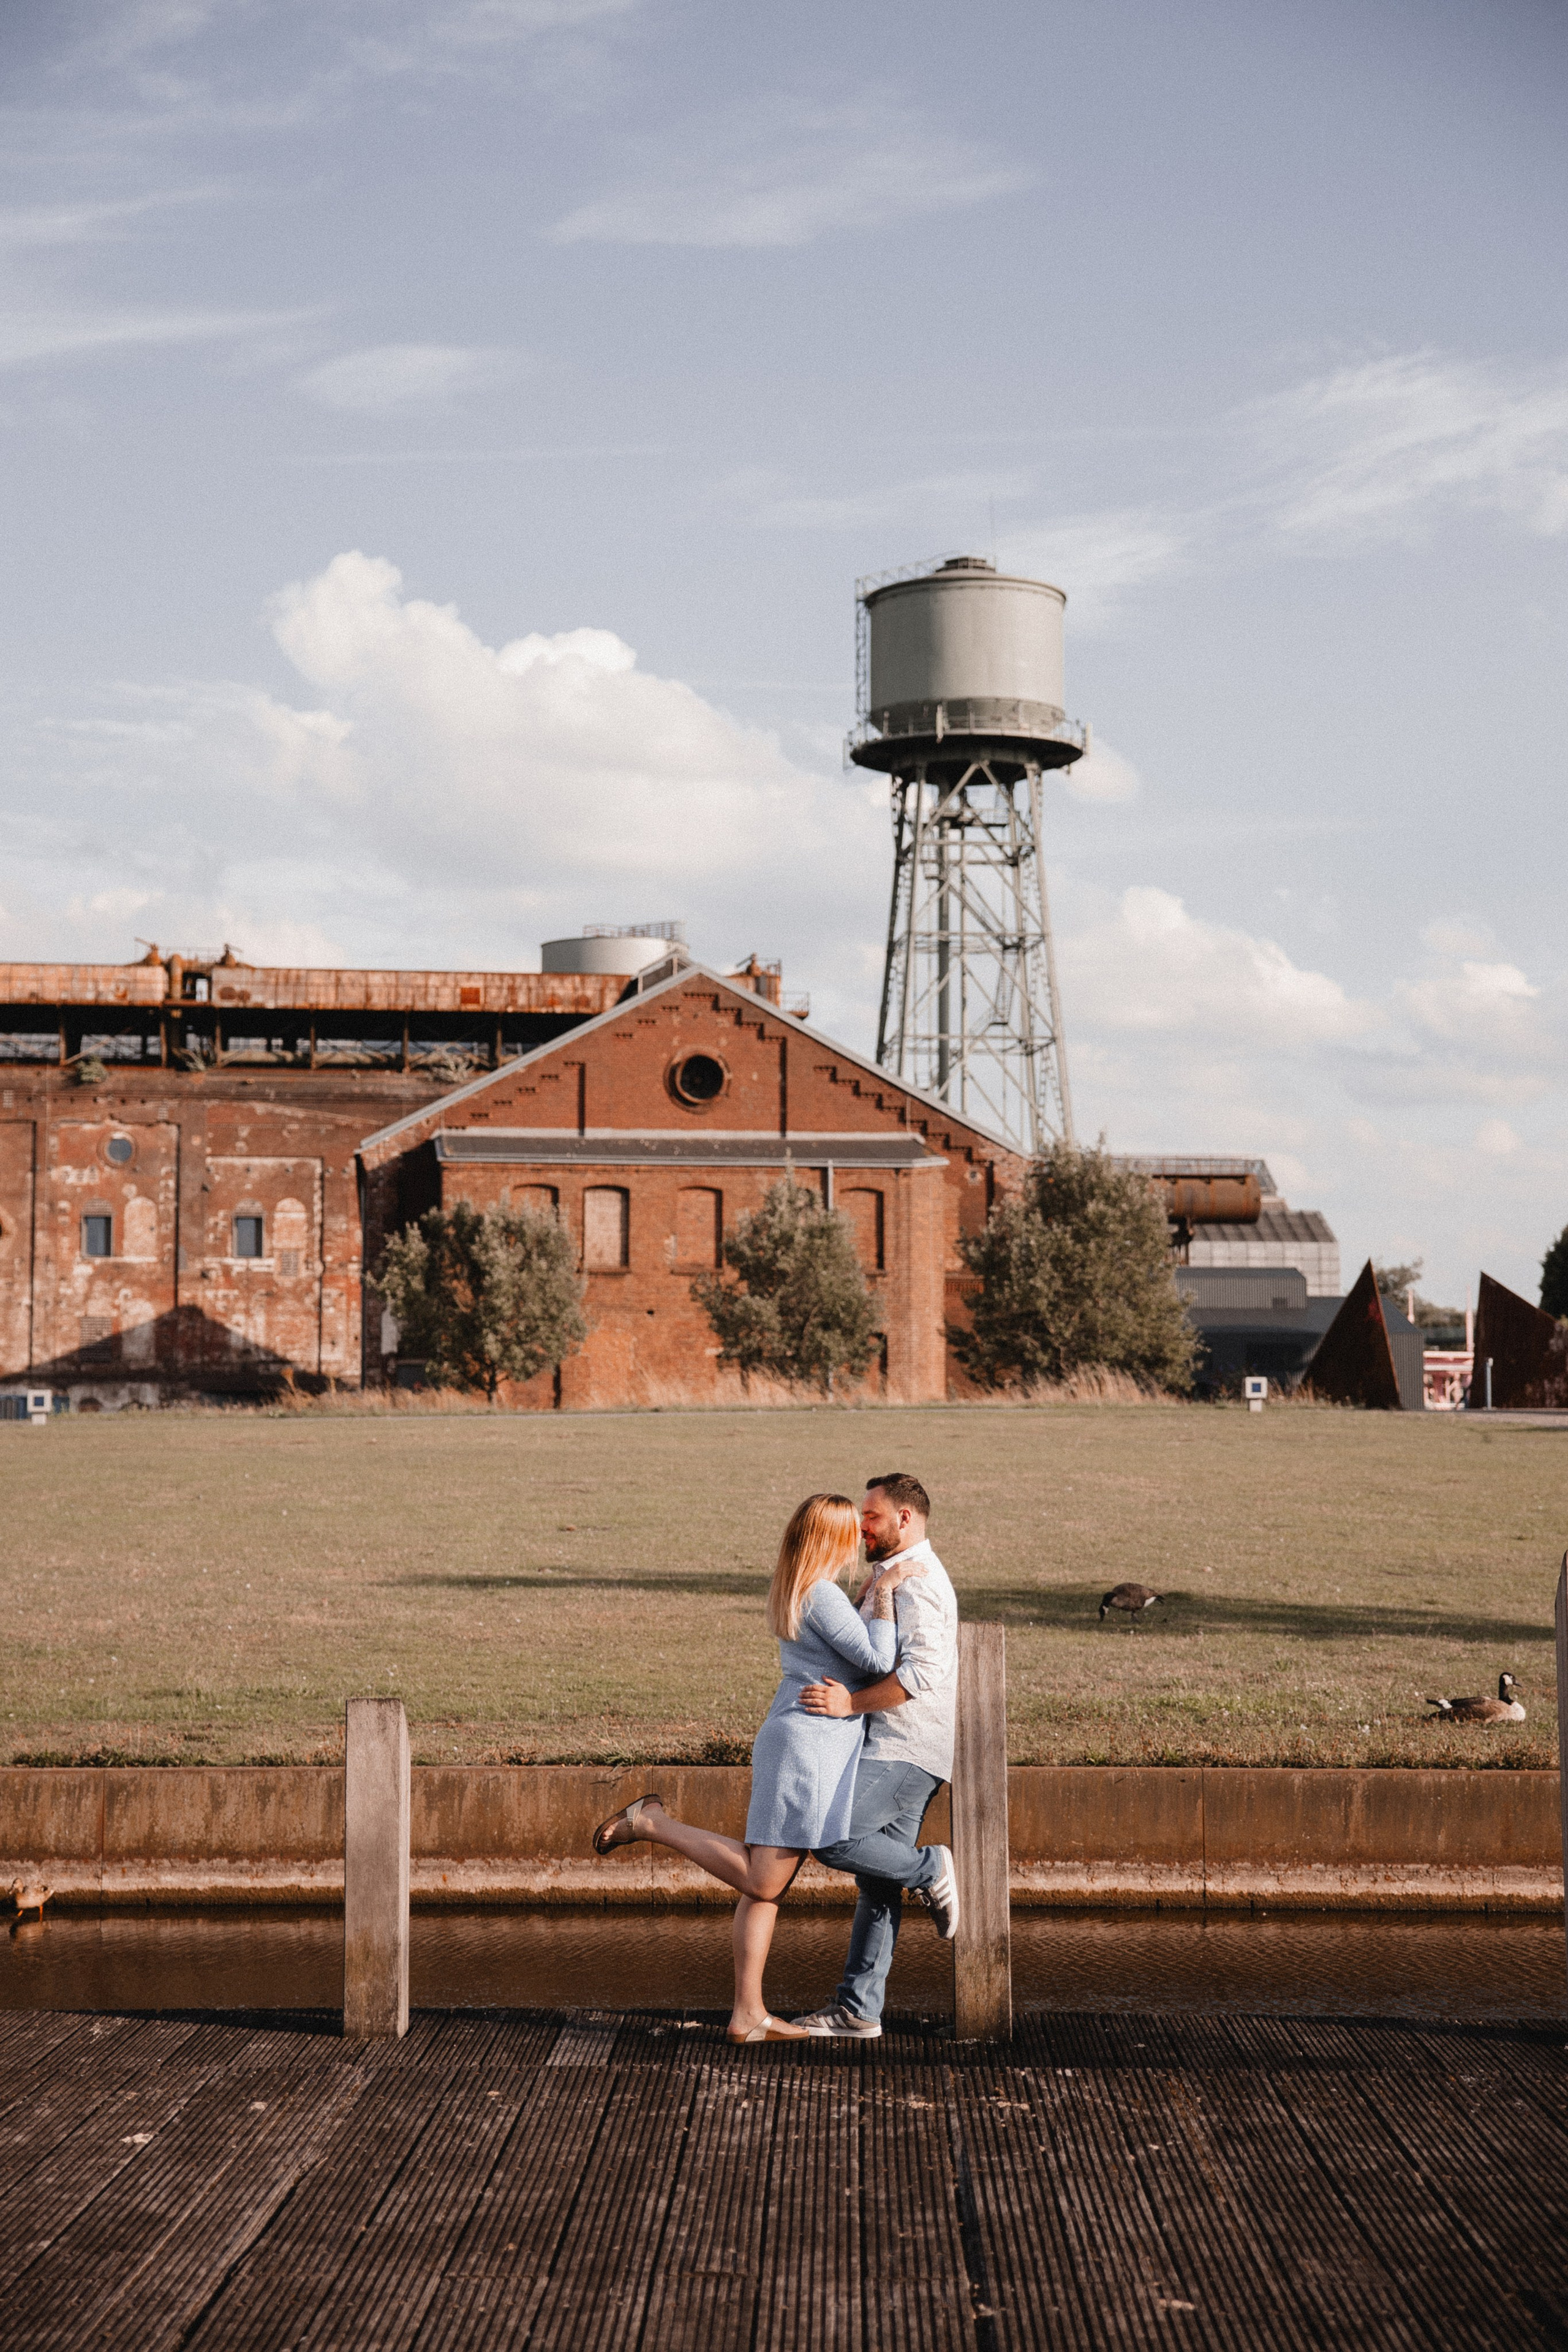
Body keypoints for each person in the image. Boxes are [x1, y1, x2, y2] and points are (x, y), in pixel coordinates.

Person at [589, 1492, 928, 2045]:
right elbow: (879, 1662)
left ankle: (749, 2014)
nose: (860, 1538)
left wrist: (867, 1600)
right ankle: (651, 1822)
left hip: (796, 1737)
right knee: (762, 1878)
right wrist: (887, 1592)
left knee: (764, 1889)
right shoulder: (821, 1594)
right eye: (851, 1528)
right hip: (806, 1744)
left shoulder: (806, 1589)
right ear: (831, 1538)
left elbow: (851, 1651)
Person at [790, 1472, 959, 2041]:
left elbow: (921, 1676)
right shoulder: (891, 1576)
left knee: (832, 1838)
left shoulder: (921, 1582)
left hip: (903, 1749)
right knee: (878, 1885)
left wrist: (848, 1705)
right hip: (899, 1747)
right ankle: (858, 2011)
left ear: (905, 1519)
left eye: (873, 1516)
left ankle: (931, 1868)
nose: (862, 1525)